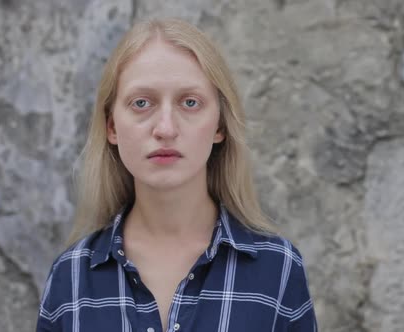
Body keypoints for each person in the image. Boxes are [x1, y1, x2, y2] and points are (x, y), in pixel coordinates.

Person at [36, 18, 317, 332]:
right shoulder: (70, 277)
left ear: (220, 126)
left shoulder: (277, 269)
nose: (166, 129)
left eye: (190, 102)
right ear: (112, 126)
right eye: (141, 103)